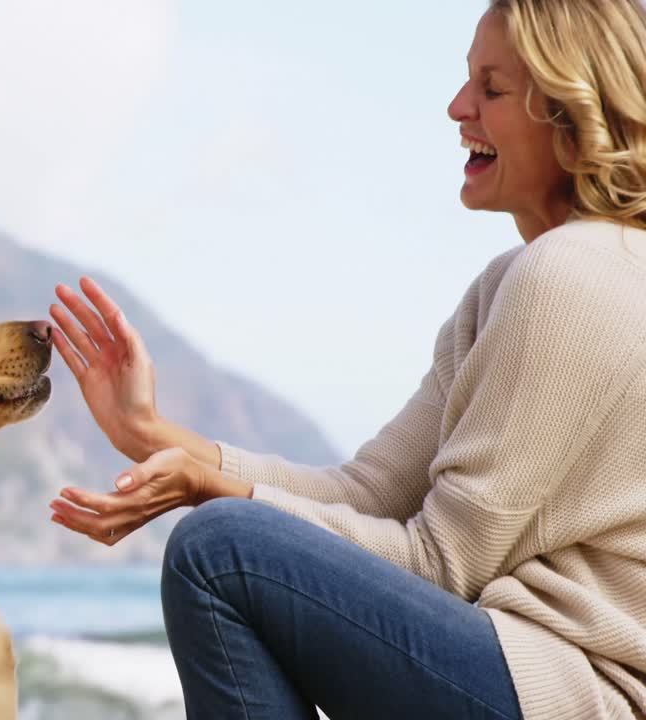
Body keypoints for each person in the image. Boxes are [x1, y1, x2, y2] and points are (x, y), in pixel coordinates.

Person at [46, 1, 646, 718]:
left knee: (219, 553)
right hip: (526, 677)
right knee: (229, 539)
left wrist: (213, 496)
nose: (458, 108)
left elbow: (440, 565)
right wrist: (152, 436)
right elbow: (368, 493)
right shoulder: (521, 281)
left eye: (491, 89)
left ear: (575, 119)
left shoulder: (572, 276)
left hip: (578, 695)